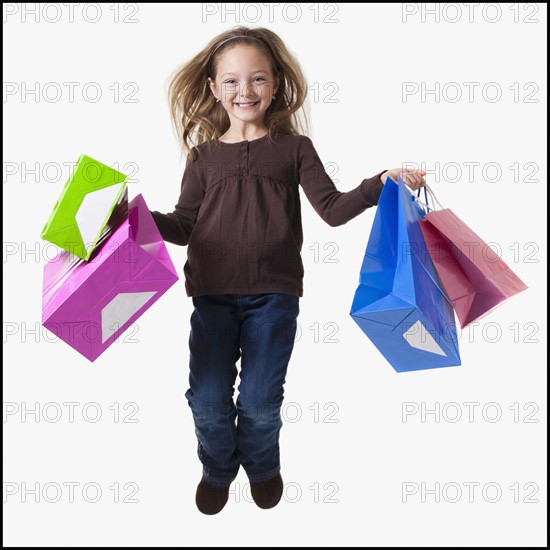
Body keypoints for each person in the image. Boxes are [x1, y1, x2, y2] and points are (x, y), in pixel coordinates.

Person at [150, 26, 426, 515]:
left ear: (275, 84)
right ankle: (217, 468)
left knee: (259, 400)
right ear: (214, 88)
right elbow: (183, 224)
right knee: (209, 400)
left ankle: (261, 464)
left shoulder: (294, 148)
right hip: (211, 297)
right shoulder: (203, 157)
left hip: (274, 298)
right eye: (232, 81)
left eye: (257, 79)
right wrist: (133, 219)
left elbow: (334, 209)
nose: (245, 91)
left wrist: (381, 182)